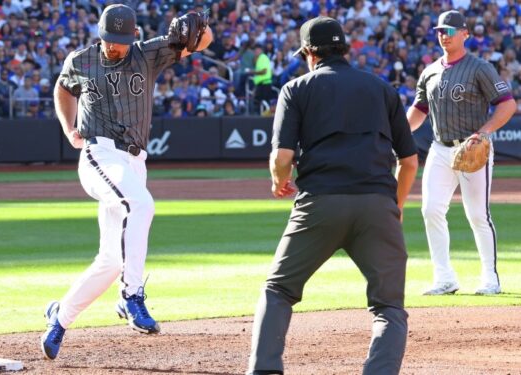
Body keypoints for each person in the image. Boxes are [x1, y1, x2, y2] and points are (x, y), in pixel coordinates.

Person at [247, 17, 418, 375]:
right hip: (376, 205)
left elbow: (282, 158)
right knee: (389, 307)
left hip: (320, 203)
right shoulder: (383, 89)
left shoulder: (296, 88)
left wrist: (279, 181)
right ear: (346, 49)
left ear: (309, 53)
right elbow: (409, 162)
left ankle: (264, 369)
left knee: (278, 290)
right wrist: (396, 206)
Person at [41, 4, 213, 360]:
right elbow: (63, 88)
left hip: (134, 161)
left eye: (120, 41)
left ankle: (60, 318)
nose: (113, 47)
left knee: (110, 260)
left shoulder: (148, 53)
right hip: (98, 153)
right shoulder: (82, 60)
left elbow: (205, 40)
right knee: (141, 204)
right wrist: (67, 126)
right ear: (99, 33)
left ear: (132, 36)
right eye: (108, 39)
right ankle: (131, 295)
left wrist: (198, 29)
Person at [406, 10, 516, 296]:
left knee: (478, 215)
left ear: (465, 34)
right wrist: (399, 132)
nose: (444, 35)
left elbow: (507, 105)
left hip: (472, 148)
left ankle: (490, 278)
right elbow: (419, 110)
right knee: (430, 210)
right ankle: (444, 278)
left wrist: (484, 132)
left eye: (450, 31)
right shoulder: (429, 70)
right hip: (439, 149)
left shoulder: (480, 67)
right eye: (441, 30)